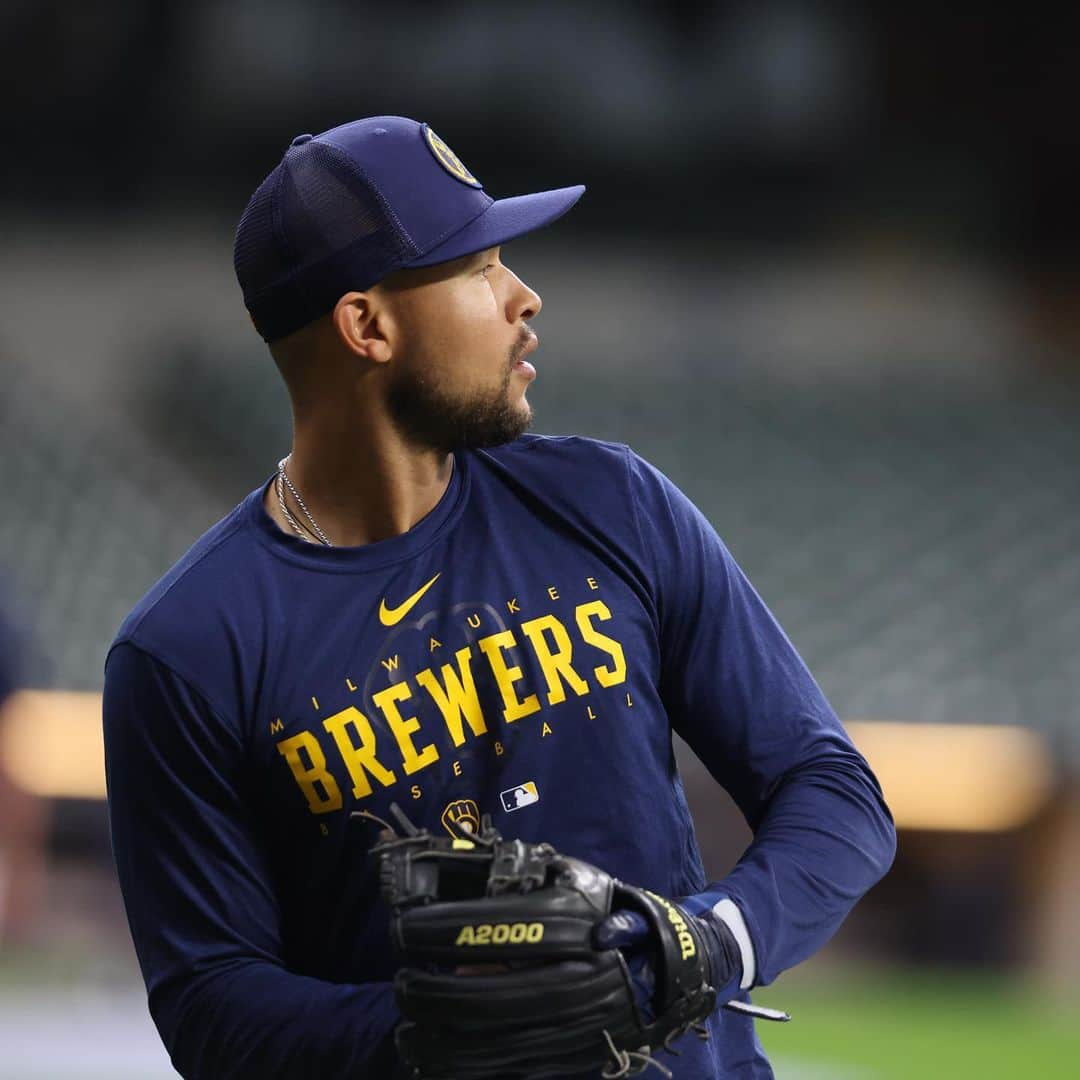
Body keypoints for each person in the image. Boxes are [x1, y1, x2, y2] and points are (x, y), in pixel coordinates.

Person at [103, 115, 896, 1079]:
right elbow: (210, 1001)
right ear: (368, 325)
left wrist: (705, 944)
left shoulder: (612, 503)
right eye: (477, 268)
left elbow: (835, 793)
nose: (525, 296)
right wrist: (436, 1031)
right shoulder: (187, 650)